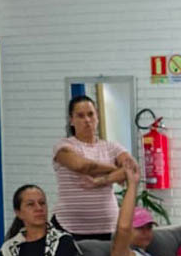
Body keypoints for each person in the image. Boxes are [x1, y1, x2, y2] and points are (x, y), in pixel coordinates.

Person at [51, 95, 139, 240]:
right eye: (80, 116)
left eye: (91, 114)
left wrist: (101, 181)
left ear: (97, 116)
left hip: (107, 227)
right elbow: (82, 166)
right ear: (71, 120)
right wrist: (114, 169)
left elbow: (132, 169)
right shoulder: (64, 146)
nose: (87, 120)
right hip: (69, 226)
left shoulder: (111, 147)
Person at [0, 184, 84, 256]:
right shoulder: (9, 247)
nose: (39, 208)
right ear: (18, 213)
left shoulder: (63, 240)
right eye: (31, 204)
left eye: (42, 203)